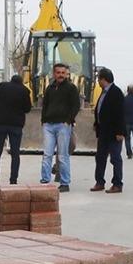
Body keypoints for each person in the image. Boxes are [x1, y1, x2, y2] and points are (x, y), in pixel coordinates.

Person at [40, 63, 80, 193]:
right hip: (48, 126)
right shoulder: (49, 88)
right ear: (54, 74)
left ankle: (64, 183)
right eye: (58, 72)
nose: (61, 75)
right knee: (47, 154)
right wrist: (43, 120)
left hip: (63, 125)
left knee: (62, 155)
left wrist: (69, 120)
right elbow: (45, 104)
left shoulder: (71, 88)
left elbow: (76, 105)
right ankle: (45, 180)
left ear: (67, 74)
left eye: (63, 73)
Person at [0, 74, 32, 189]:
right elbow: (28, 108)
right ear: (21, 81)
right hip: (16, 125)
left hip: (0, 123)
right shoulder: (25, 90)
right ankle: (13, 180)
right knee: (15, 153)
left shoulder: (2, 86)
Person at [90, 67, 126, 193]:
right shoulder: (103, 92)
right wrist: (96, 123)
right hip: (103, 132)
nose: (98, 82)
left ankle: (117, 184)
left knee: (115, 158)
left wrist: (120, 132)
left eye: (99, 79)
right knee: (100, 157)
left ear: (103, 79)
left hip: (114, 133)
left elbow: (121, 114)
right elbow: (100, 110)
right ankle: (99, 182)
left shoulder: (116, 93)